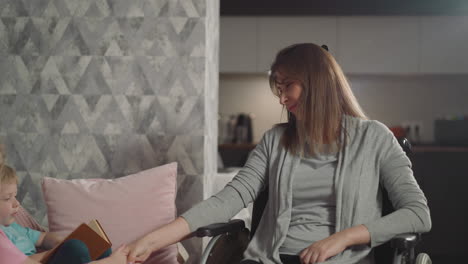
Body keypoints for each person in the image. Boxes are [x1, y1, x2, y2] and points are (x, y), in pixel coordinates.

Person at [127, 43, 431, 264]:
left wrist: (345, 237)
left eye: (288, 86)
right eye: (278, 88)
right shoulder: (275, 141)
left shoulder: (375, 138)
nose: (283, 99)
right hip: (270, 259)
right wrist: (152, 240)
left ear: (316, 83)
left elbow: (418, 214)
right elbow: (226, 201)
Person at [0, 146, 129, 264]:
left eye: (15, 196)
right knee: (75, 247)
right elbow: (25, 261)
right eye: (7, 198)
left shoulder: (14, 228)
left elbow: (43, 236)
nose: (17, 203)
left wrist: (60, 241)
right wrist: (59, 249)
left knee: (98, 245)